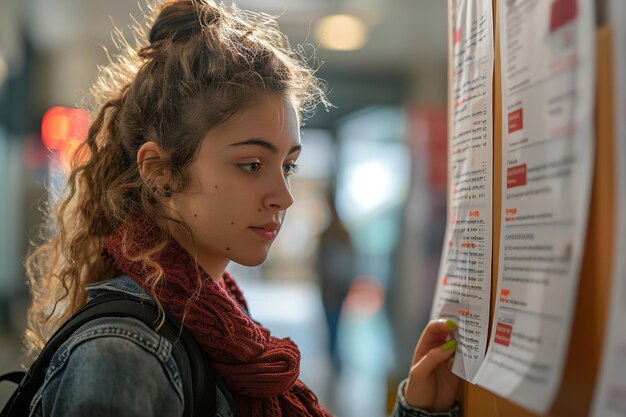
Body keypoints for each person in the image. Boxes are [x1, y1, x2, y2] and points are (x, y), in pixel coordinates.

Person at [23, 1, 460, 416]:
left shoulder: (219, 322)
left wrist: (419, 409)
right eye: (251, 164)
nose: (283, 196)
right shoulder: (123, 356)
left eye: (289, 165)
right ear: (161, 173)